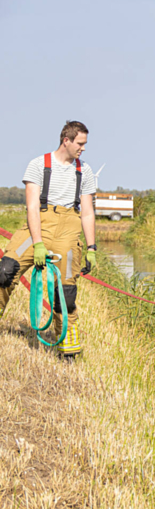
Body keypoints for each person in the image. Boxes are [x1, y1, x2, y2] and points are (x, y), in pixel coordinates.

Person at [0, 120, 98, 357]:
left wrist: (92, 247)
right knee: (5, 270)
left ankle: (68, 349)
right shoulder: (38, 165)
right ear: (67, 140)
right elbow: (32, 208)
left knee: (65, 293)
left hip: (68, 230)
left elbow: (87, 213)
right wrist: (39, 244)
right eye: (80, 143)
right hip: (38, 226)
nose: (83, 149)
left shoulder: (84, 171)